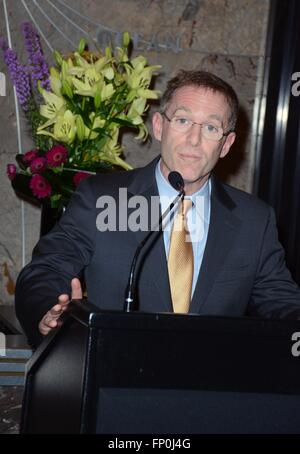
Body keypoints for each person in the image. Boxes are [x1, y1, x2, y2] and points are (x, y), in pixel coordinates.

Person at [15, 70, 300, 348]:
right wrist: (48, 310)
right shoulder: (103, 199)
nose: (194, 140)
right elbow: (47, 269)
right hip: (116, 383)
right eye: (183, 120)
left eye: (211, 128)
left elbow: (281, 302)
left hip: (212, 387)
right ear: (159, 126)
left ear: (226, 144)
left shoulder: (254, 219)